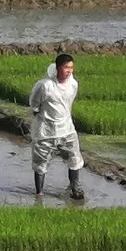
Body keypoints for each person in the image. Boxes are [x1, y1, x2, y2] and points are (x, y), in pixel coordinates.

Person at [28, 52, 85, 199]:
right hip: (46, 131)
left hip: (66, 129)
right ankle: (39, 193)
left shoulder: (73, 84)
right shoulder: (45, 86)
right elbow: (34, 104)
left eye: (71, 68)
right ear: (58, 68)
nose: (69, 71)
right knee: (40, 163)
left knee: (74, 158)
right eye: (66, 67)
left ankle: (75, 187)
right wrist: (40, 114)